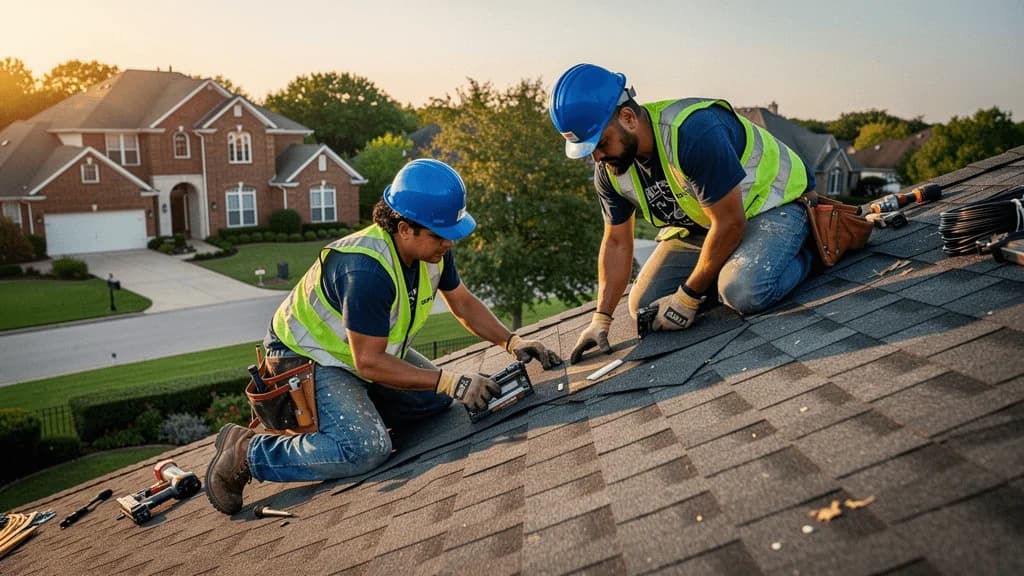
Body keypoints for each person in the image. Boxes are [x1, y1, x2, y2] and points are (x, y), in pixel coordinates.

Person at [205, 158, 562, 515]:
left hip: (358, 355)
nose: (448, 244)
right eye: (440, 235)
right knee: (365, 448)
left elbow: (463, 303)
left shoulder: (432, 252)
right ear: (405, 229)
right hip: (308, 359)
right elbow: (369, 361)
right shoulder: (366, 270)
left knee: (433, 404)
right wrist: (451, 381)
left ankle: (357, 409)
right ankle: (249, 453)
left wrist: (512, 341)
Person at [549, 63, 818, 363]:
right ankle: (721, 271)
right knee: (643, 306)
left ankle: (806, 249)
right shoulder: (610, 169)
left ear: (627, 118)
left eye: (600, 144)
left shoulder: (691, 132)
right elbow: (616, 242)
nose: (597, 157)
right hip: (705, 226)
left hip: (775, 208)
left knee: (744, 290)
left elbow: (729, 223)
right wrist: (601, 318)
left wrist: (688, 296)